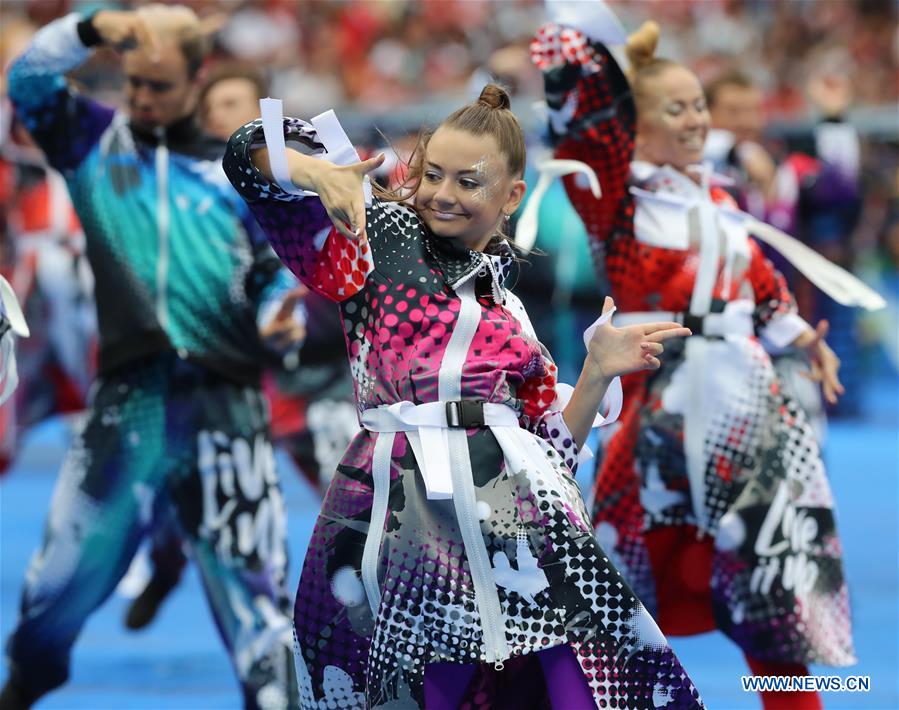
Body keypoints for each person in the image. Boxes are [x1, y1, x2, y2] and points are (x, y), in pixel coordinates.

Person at [224, 83, 702, 708]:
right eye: (433, 175)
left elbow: (552, 451)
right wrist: (319, 176)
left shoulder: (511, 311)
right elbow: (245, 156)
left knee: (580, 675)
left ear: (512, 196)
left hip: (517, 511)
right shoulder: (375, 234)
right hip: (398, 505)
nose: (443, 195)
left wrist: (596, 374)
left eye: (469, 182)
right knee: (416, 688)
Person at [530, 12, 855, 710]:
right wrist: (577, 56)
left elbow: (758, 285)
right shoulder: (615, 202)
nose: (696, 119)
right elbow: (578, 130)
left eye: (698, 104)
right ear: (633, 129)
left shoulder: (717, 198)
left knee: (770, 590)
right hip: (658, 417)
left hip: (749, 413)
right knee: (621, 593)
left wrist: (804, 338)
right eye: (674, 107)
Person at [2, 7, 304, 708]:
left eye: (160, 87)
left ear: (197, 79)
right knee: (56, 590)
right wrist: (86, 29)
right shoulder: (90, 143)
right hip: (125, 404)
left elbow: (273, 273)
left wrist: (276, 317)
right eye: (134, 85)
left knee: (258, 609)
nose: (142, 101)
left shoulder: (240, 173)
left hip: (227, 403)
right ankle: (28, 680)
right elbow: (26, 80)